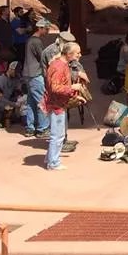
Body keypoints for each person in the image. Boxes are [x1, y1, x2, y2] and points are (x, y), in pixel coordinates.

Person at [43, 42, 85, 171]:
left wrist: (74, 96)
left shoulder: (61, 64)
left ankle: (50, 157)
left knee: (57, 134)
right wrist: (73, 87)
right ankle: (53, 162)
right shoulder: (59, 66)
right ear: (69, 54)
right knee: (58, 135)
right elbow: (55, 87)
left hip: (58, 103)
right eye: (77, 53)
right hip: (56, 105)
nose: (80, 55)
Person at [21, 18, 51, 138]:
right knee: (41, 101)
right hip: (35, 75)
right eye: (46, 28)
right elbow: (43, 57)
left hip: (27, 74)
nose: (48, 31)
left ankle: (30, 128)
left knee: (31, 102)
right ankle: (42, 129)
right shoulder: (36, 41)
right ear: (40, 28)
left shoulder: (30, 40)